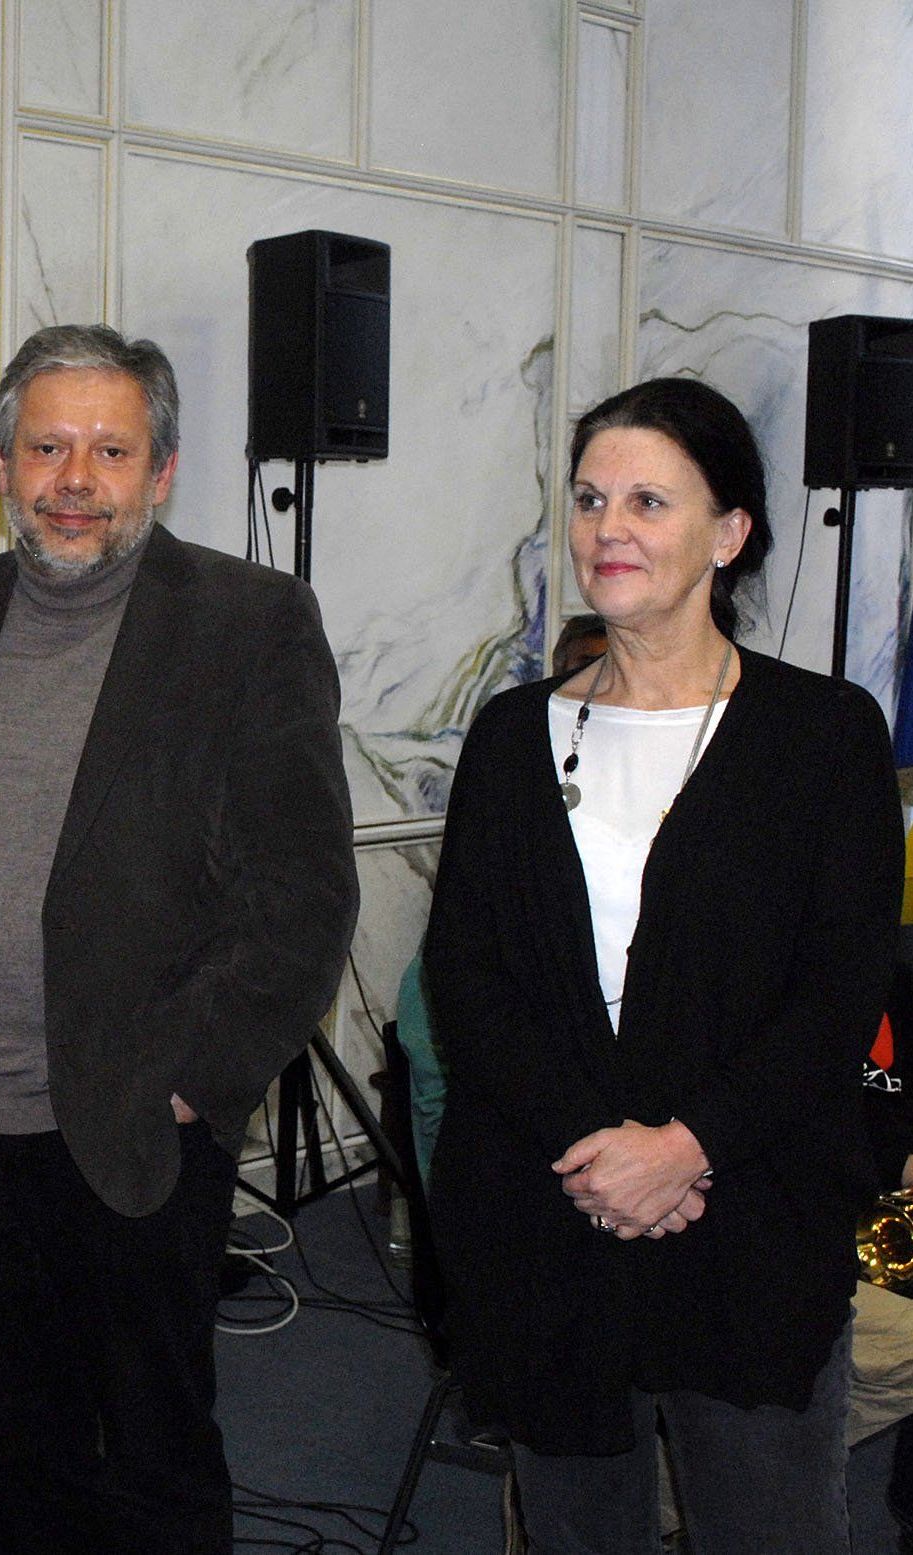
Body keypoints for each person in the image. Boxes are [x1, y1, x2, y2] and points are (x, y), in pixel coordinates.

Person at [0, 323, 358, 1554]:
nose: (76, 480)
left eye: (111, 450)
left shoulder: (252, 622)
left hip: (136, 1126)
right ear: (6, 465)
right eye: (48, 447)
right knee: (12, 1449)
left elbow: (304, 895)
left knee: (155, 1450)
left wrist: (191, 1083)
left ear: (161, 470)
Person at [424, 376, 902, 1553]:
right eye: (590, 499)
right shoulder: (507, 732)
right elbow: (467, 980)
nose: (608, 529)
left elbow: (837, 996)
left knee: (771, 1527)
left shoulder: (828, 736)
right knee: (580, 1531)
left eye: (648, 499)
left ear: (728, 533)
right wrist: (601, 1158)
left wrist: (685, 1148)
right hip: (550, 1216)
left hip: (746, 1222)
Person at [396, 614, 610, 1186]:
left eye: (604, 664)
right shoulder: (514, 733)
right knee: (435, 1081)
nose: (593, 678)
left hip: (581, 993)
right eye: (580, 665)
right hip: (487, 961)